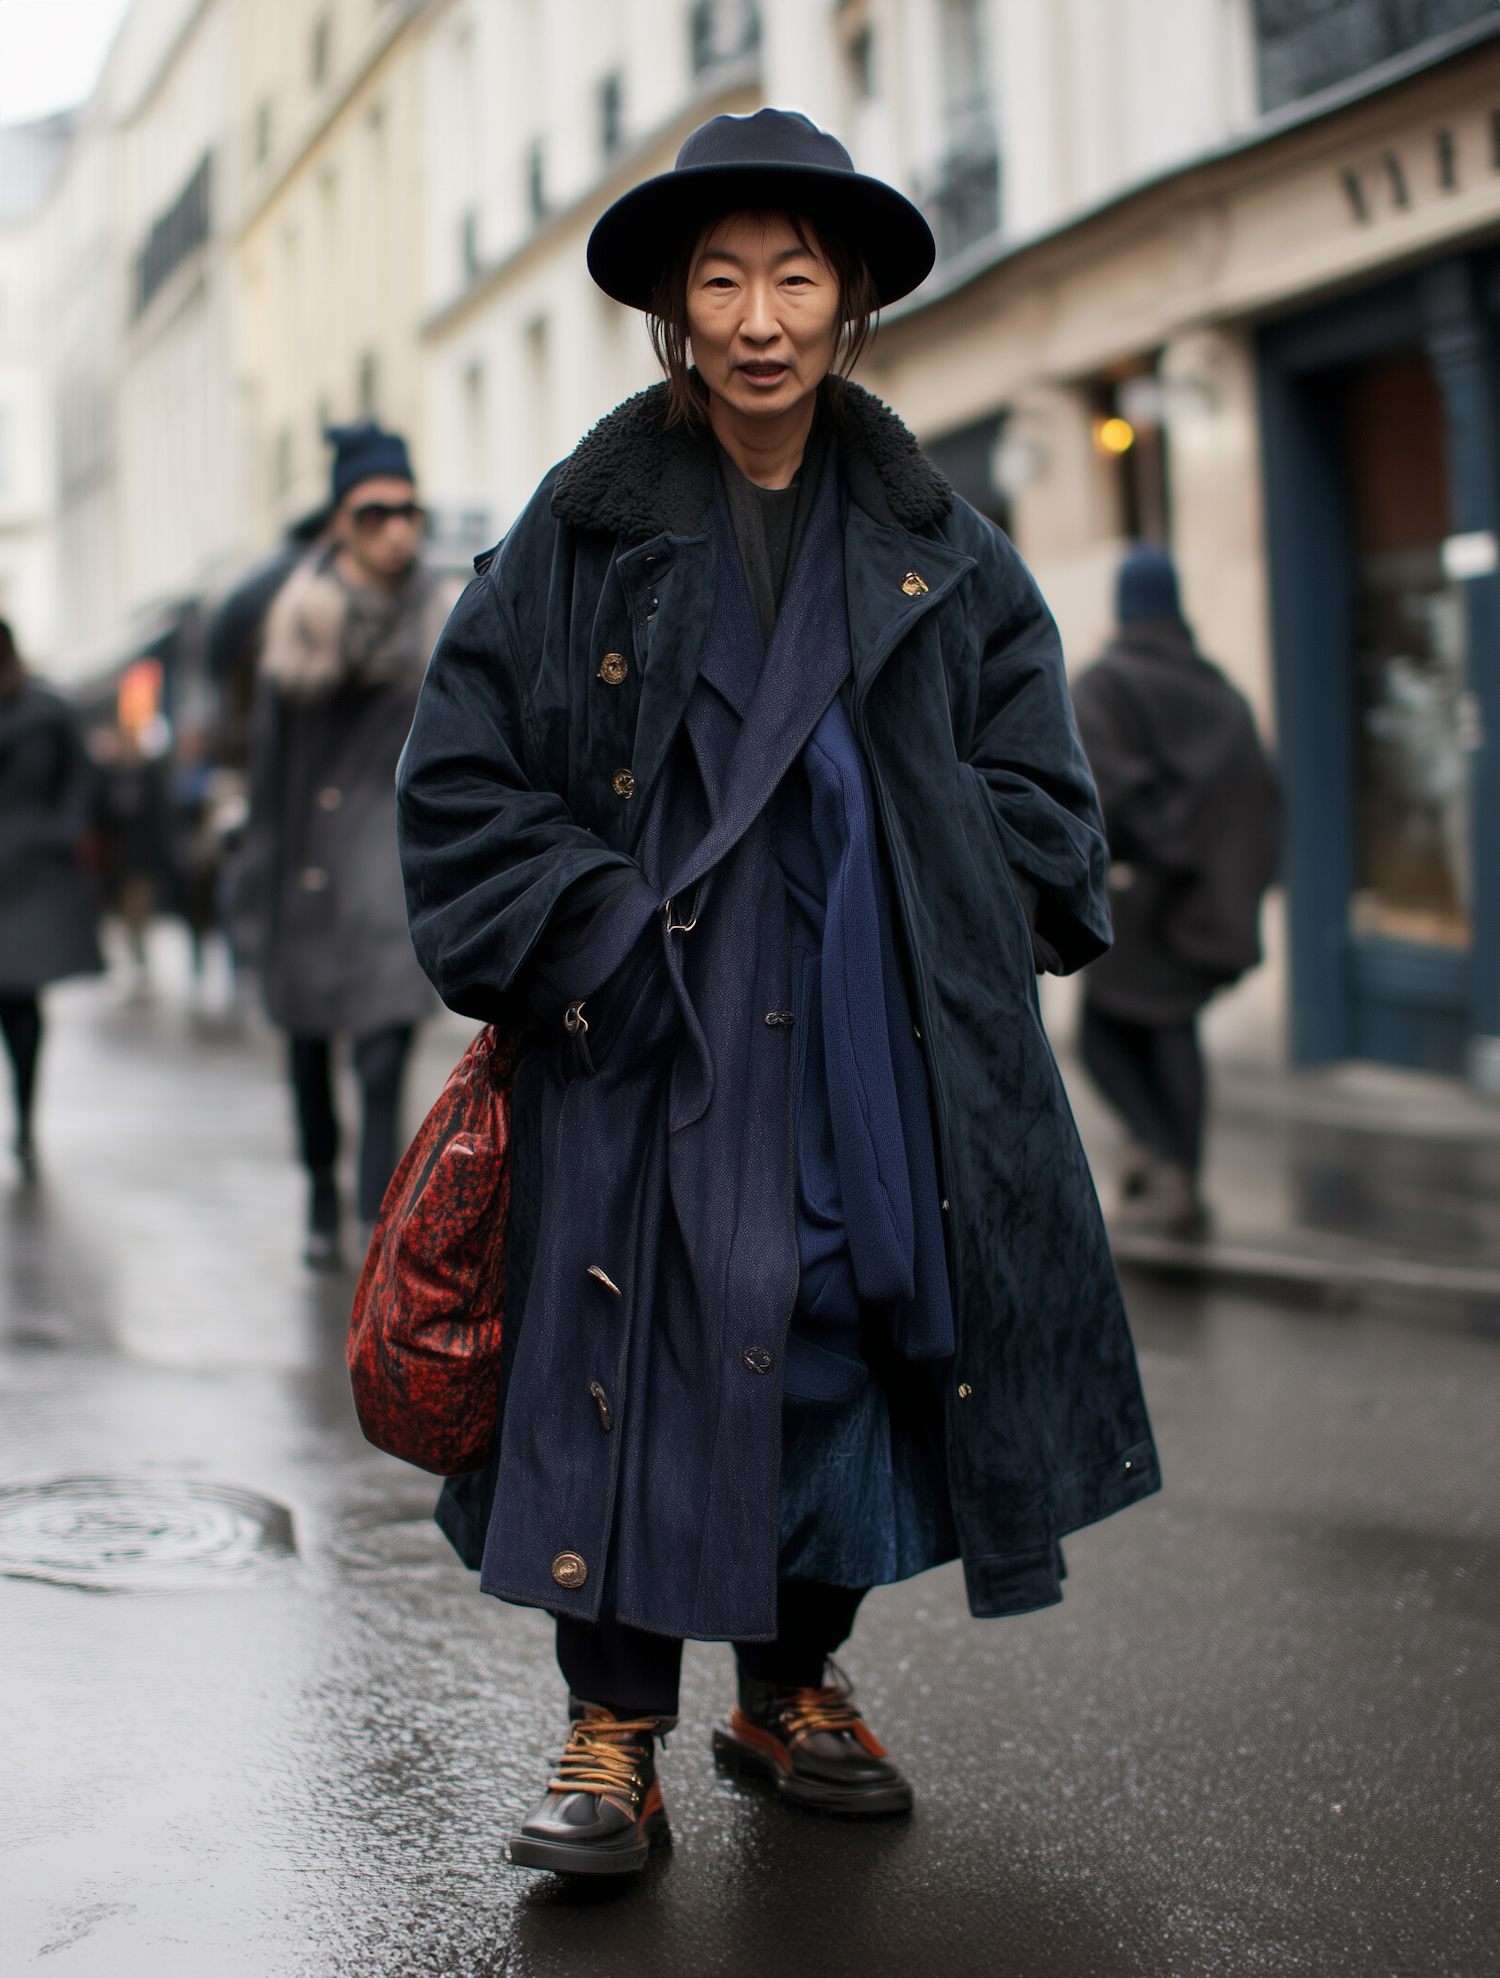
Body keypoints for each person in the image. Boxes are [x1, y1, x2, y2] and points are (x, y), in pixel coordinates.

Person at [397, 109, 1160, 1877]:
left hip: (862, 1045)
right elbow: (460, 781)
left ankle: (789, 1680)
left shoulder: (941, 543)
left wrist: (932, 891)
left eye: (796, 275)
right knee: (628, 1358)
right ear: (676, 306)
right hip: (639, 1036)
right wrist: (590, 935)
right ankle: (612, 1726)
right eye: (723, 276)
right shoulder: (578, 532)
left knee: (833, 1344)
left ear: (854, 300)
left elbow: (1047, 801)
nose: (760, 315)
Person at [240, 424, 461, 1266]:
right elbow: (272, 785)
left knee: (379, 1066)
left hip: (394, 883)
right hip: (309, 877)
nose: (396, 530)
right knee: (308, 1057)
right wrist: (258, 904)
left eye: (409, 511)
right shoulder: (300, 630)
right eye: (374, 514)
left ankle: (375, 1223)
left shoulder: (445, 621)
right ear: (340, 522)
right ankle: (318, 1191)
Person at [1071, 545, 1280, 1237]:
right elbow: (1264, 794)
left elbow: (1100, 789)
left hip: (1149, 896)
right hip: (1211, 899)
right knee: (1168, 1028)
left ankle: (1167, 1166)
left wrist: (1144, 854)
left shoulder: (1108, 685)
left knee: (1106, 1034)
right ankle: (1169, 1166)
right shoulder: (1221, 691)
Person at [0, 619, 103, 1176]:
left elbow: (81, 780)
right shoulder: (49, 711)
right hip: (20, 869)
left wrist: (63, 831)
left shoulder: (49, 712)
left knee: (20, 1002)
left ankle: (23, 1121)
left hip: (33, 873)